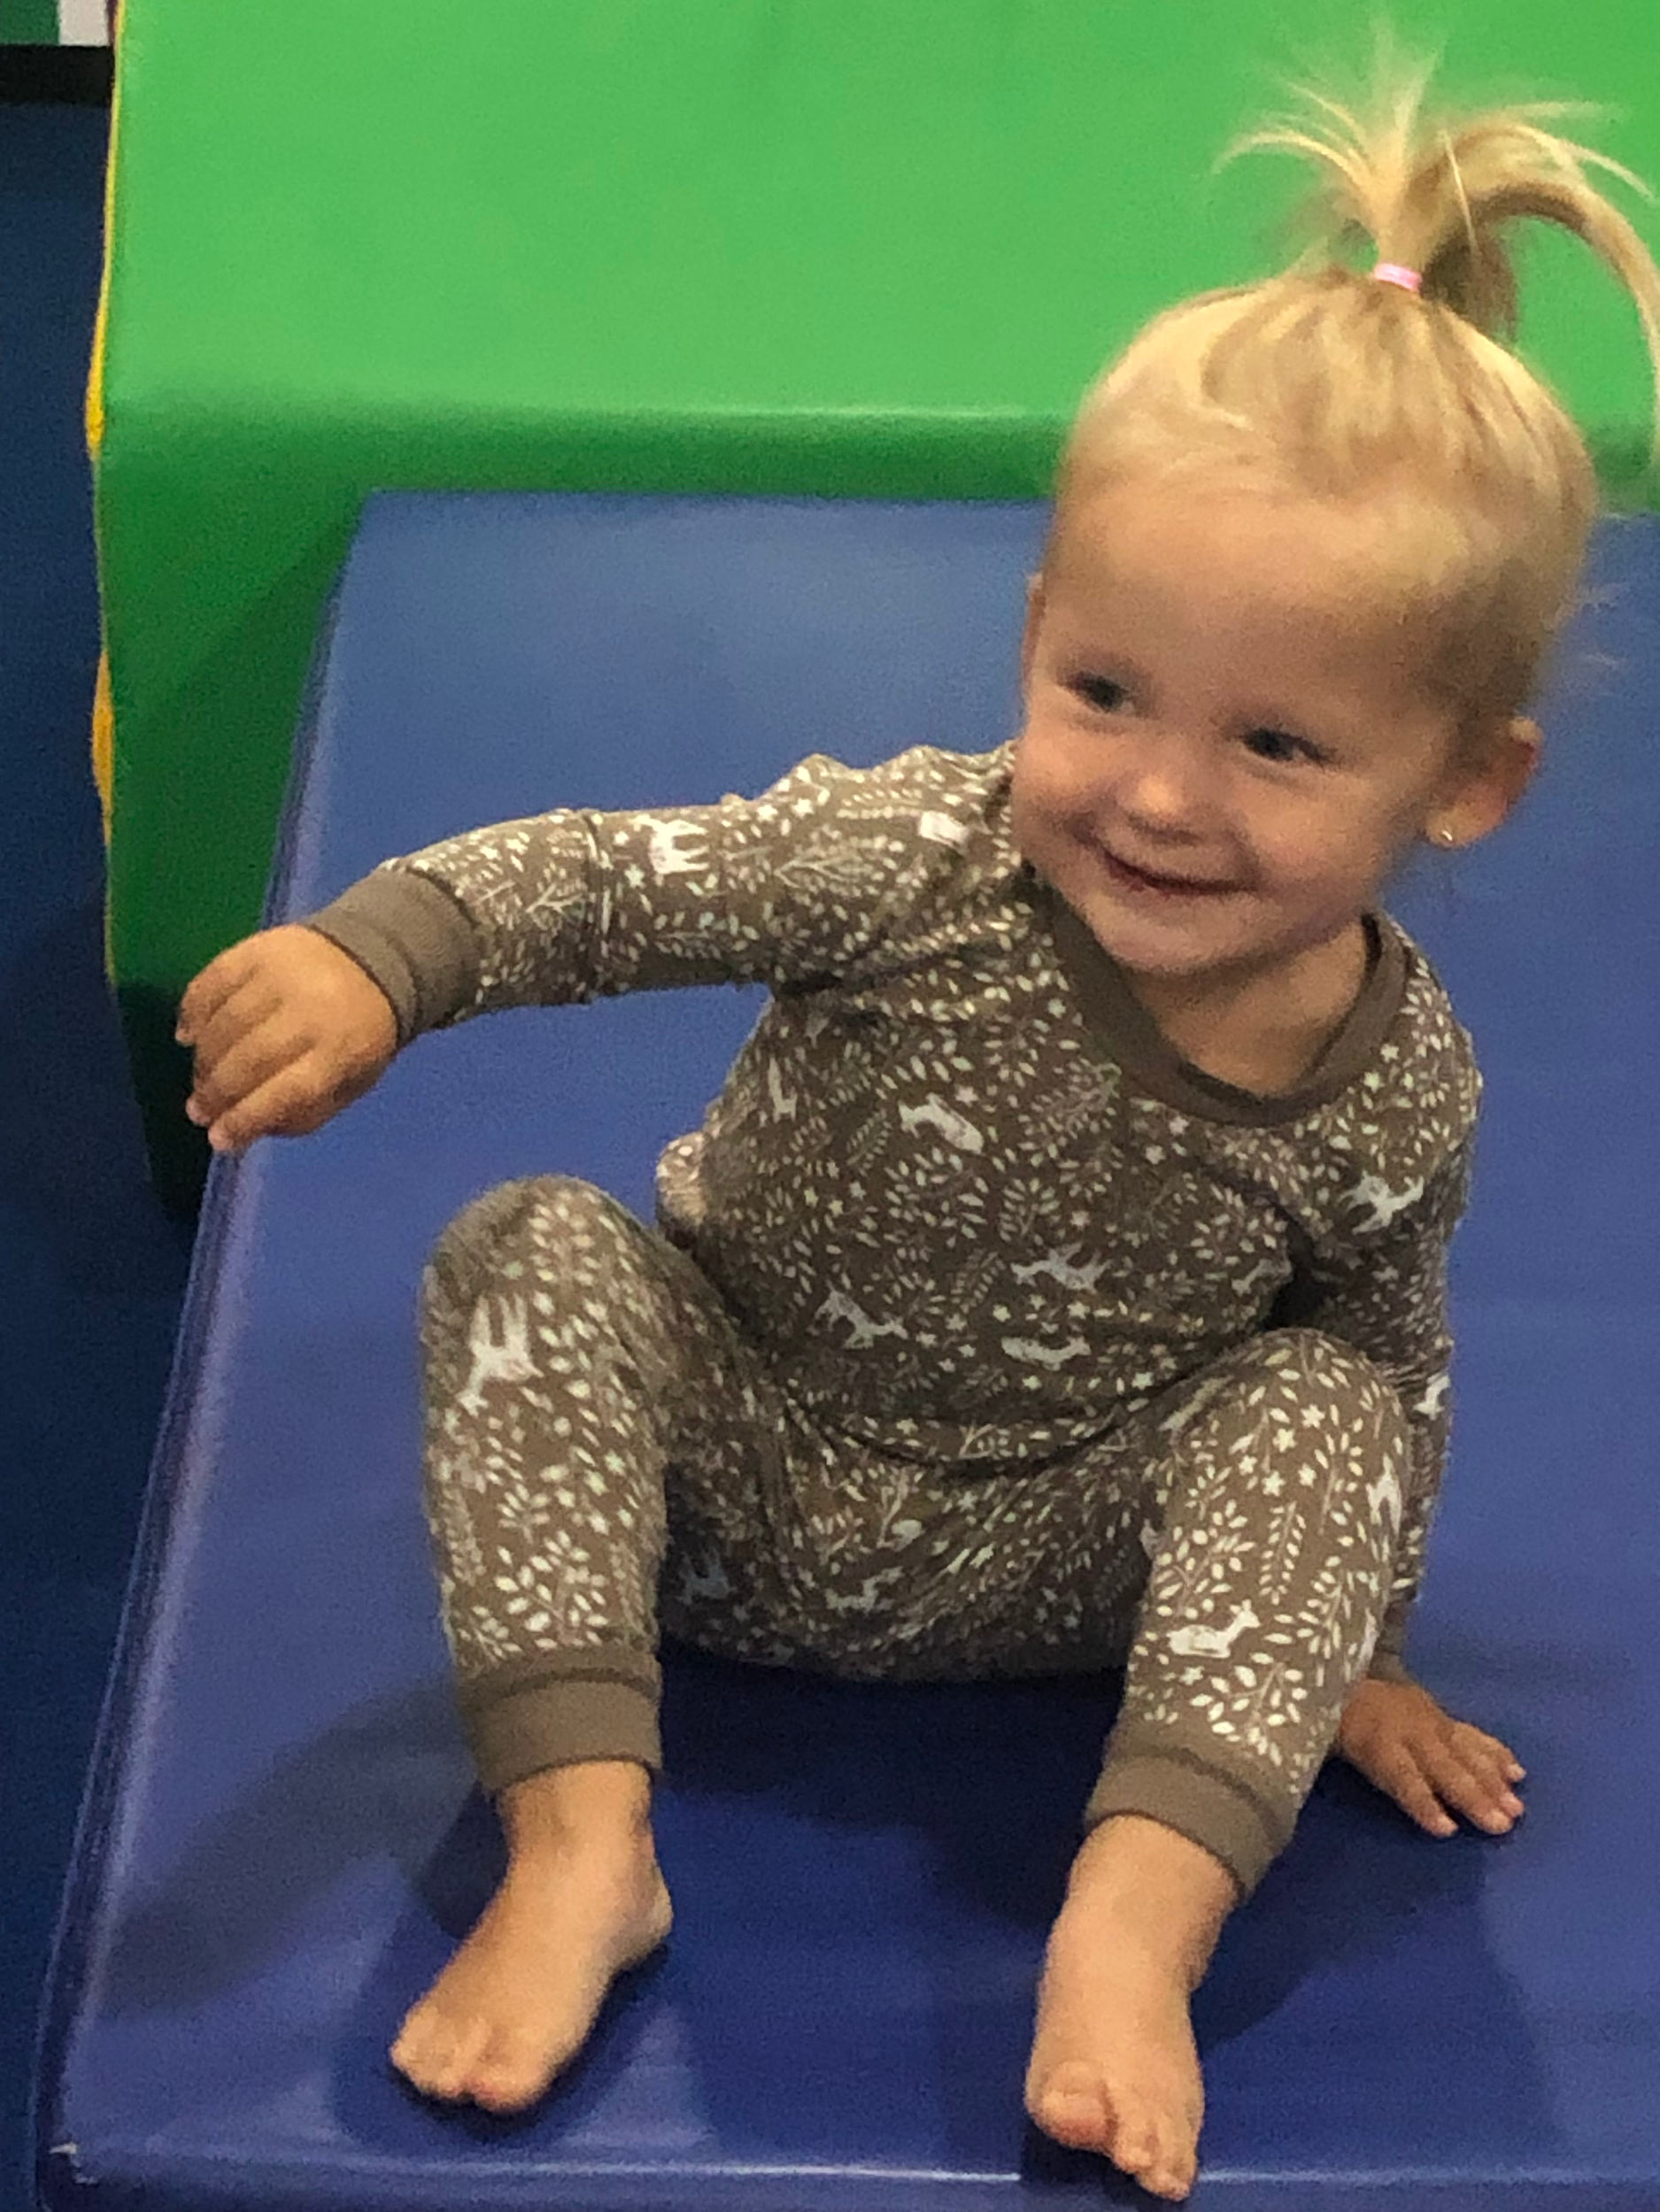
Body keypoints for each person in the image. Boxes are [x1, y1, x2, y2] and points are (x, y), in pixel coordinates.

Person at [175, 59, 1660, 2205]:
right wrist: (382, 956)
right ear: (1034, 638)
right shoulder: (914, 858)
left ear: (1460, 783)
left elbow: (1388, 1367)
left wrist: (1352, 1652)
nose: (1159, 793)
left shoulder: (1400, 1082)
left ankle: (1124, 1935)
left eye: (1274, 741)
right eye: (1105, 694)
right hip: (738, 1469)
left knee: (1325, 1403)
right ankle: (585, 1851)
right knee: (527, 1245)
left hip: (1077, 1553)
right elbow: (616, 875)